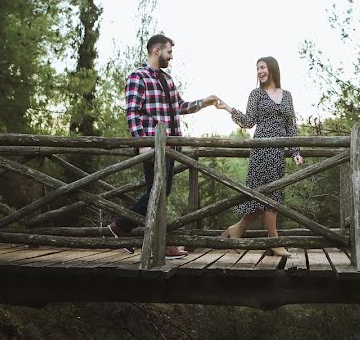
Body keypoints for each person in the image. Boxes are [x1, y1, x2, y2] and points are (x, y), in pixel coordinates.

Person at [106, 33, 217, 258]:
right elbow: (132, 112)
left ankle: (127, 230)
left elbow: (180, 106)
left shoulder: (167, 80)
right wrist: (142, 144)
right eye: (169, 52)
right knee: (159, 191)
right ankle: (131, 232)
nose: (171, 57)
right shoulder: (137, 76)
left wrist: (204, 103)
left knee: (158, 192)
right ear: (156, 50)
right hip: (151, 146)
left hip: (170, 147)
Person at [215, 56, 303, 258]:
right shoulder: (256, 94)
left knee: (266, 198)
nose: (259, 72)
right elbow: (248, 122)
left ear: (272, 68)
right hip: (261, 149)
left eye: (262, 67)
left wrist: (296, 151)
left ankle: (236, 230)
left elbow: (291, 126)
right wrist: (227, 107)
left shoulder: (287, 95)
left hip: (279, 151)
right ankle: (274, 242)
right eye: (257, 69)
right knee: (268, 197)